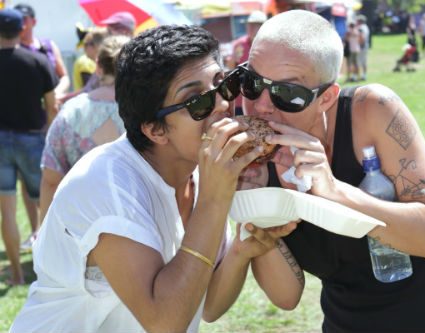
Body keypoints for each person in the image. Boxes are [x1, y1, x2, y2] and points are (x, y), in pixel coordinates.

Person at [10, 24, 299, 332]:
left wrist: (241, 249)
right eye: (198, 102)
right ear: (155, 129)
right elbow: (165, 322)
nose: (223, 106)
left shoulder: (200, 171)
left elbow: (206, 304)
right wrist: (215, 201)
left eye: (224, 85)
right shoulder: (106, 185)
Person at [236, 10, 425, 332]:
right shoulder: (258, 161)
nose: (261, 105)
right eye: (251, 82)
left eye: (287, 94)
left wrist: (333, 190)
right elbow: (285, 297)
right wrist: (255, 212)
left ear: (326, 97)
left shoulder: (371, 110)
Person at [39, 35, 128, 224]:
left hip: (80, 223)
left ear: (98, 66)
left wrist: (45, 234)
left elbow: (50, 179)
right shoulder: (147, 111)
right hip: (137, 221)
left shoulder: (71, 111)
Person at [0, 8, 58, 285]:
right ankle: (46, 270)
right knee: (45, 207)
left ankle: (17, 273)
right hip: (33, 138)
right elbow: (52, 105)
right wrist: (47, 131)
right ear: (22, 28)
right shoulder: (36, 60)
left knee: (8, 211)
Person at [229, 10, 267, 115]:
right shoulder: (239, 44)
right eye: (250, 25)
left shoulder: (269, 46)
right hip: (240, 100)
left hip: (261, 100)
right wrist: (233, 59)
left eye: (256, 25)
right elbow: (230, 69)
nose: (252, 29)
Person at [356, 14, 370, 81]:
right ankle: (364, 75)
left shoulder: (361, 28)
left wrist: (360, 45)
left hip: (361, 47)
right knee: (364, 61)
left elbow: (362, 37)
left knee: (359, 61)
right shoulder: (365, 27)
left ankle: (359, 76)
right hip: (365, 46)